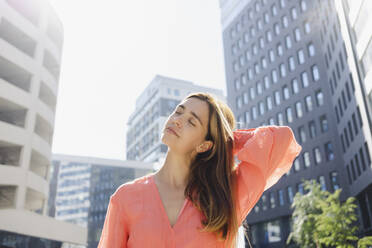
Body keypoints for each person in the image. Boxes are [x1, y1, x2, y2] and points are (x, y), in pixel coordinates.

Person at [97, 92, 302, 248]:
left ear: (204, 145)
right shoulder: (125, 197)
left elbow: (281, 139)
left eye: (191, 121)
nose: (177, 120)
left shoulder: (224, 197)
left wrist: (224, 142)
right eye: (178, 111)